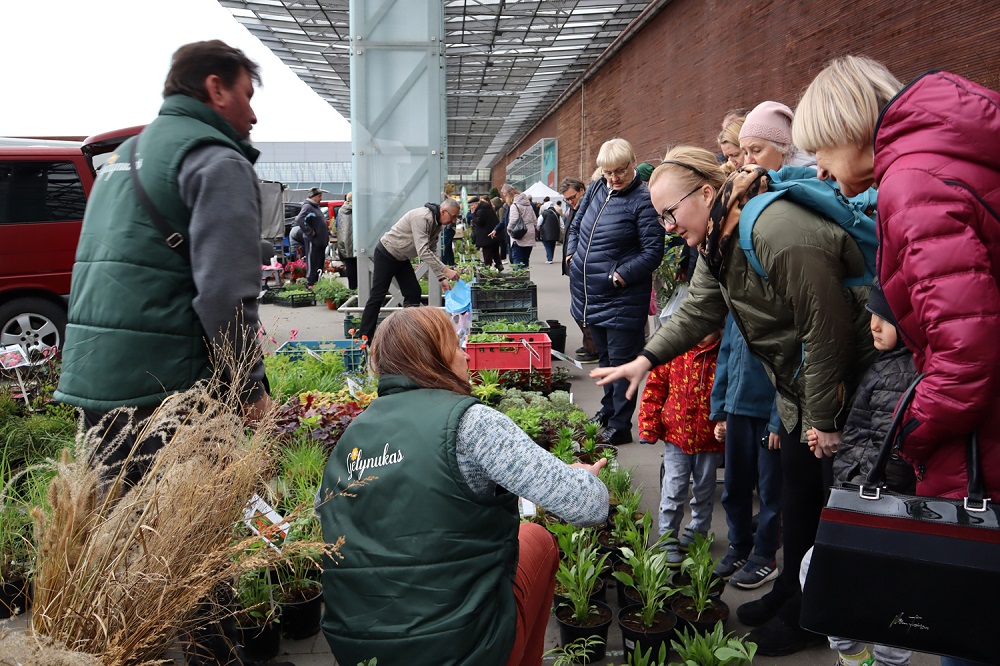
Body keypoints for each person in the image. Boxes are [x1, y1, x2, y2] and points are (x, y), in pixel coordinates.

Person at [592, 145, 874, 656]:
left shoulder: (774, 231)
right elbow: (698, 309)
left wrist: (826, 419)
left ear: (705, 192)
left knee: (832, 508)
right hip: (797, 385)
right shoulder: (718, 242)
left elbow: (827, 327)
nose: (668, 227)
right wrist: (645, 359)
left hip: (839, 389)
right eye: (660, 218)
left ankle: (818, 615)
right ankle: (792, 593)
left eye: (670, 213)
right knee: (798, 498)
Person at [52, 39, 281, 666]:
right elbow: (227, 297)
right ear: (214, 88)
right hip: (168, 390)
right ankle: (215, 657)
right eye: (247, 95)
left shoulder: (125, 157)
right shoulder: (214, 161)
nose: (253, 115)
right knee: (197, 533)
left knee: (125, 538)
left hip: (98, 382)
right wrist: (248, 390)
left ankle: (130, 649)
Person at [793, 59, 1000, 666]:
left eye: (821, 152)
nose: (823, 172)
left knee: (968, 625)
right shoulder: (952, 156)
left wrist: (912, 432)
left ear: (850, 127)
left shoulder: (913, 183)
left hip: (982, 442)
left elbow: (967, 352)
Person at [318, 307, 609, 666]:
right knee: (538, 539)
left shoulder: (352, 436)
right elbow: (589, 506)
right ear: (434, 358)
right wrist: (582, 477)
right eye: (455, 346)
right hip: (462, 648)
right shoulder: (471, 423)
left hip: (358, 648)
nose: (466, 353)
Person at [800, 280, 916, 666]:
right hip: (865, 500)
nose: (874, 325)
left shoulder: (902, 373)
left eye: (886, 318)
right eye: (872, 314)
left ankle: (858, 655)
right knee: (882, 590)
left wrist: (854, 491)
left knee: (823, 571)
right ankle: (861, 655)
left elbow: (887, 451)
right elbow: (869, 436)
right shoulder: (886, 365)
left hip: (877, 506)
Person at [565, 138, 665, 445]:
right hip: (591, 293)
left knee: (621, 363)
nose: (614, 177)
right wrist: (571, 254)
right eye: (608, 171)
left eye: (620, 170)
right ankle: (608, 411)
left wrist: (620, 275)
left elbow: (653, 252)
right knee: (606, 359)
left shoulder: (644, 200)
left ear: (633, 162)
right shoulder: (597, 188)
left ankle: (620, 425)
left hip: (621, 297)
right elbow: (577, 224)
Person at [638, 329, 724, 565]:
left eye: (707, 328)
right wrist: (648, 426)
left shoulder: (723, 354)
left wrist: (725, 422)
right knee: (674, 488)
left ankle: (698, 530)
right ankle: (667, 535)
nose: (700, 332)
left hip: (710, 439)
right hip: (677, 436)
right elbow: (654, 389)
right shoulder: (673, 352)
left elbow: (730, 392)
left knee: (704, 490)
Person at [709, 313, 783, 590]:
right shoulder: (735, 309)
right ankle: (739, 546)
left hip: (768, 417)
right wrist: (720, 409)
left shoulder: (781, 305)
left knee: (770, 492)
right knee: (734, 487)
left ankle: (765, 556)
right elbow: (725, 356)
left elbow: (791, 367)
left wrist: (778, 419)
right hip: (736, 411)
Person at [357, 198, 461, 343]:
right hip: (386, 253)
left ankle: (408, 334)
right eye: (453, 216)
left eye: (456, 217)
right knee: (377, 296)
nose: (454, 220)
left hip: (401, 258)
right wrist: (446, 270)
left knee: (413, 293)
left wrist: (441, 277)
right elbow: (422, 250)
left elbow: (431, 249)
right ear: (443, 211)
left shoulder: (437, 224)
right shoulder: (422, 218)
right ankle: (363, 338)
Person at [559, 177, 599, 364]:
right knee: (579, 309)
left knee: (583, 310)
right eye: (567, 199)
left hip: (584, 267)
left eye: (573, 197)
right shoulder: (575, 209)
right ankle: (590, 344)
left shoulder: (589, 207)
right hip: (575, 266)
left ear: (582, 190)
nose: (570, 201)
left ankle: (594, 347)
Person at [739, 101, 813, 170]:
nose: (748, 161)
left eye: (757, 150)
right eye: (745, 153)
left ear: (783, 145)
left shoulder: (810, 177)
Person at [296, 186, 328, 286]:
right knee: (313, 263)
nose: (321, 198)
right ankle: (310, 283)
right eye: (319, 196)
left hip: (320, 242)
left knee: (319, 264)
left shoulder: (315, 207)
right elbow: (300, 219)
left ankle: (317, 283)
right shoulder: (308, 206)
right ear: (313, 197)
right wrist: (309, 231)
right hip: (313, 241)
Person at [502, 183, 536, 267]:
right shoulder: (528, 205)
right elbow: (535, 220)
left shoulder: (514, 205)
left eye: (505, 195)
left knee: (517, 261)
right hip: (530, 234)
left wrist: (509, 230)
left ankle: (519, 280)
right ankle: (525, 279)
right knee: (525, 261)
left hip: (518, 235)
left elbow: (513, 219)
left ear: (509, 194)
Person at [472, 195, 503, 271]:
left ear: (476, 203)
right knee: (495, 251)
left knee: (487, 253)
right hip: (493, 234)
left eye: (472, 205)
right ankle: (499, 265)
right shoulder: (487, 207)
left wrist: (473, 214)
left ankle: (488, 269)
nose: (471, 207)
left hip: (486, 236)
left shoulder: (481, 210)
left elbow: (479, 222)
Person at [335, 191, 357, 289]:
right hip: (356, 242)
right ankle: (360, 289)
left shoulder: (341, 210)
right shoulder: (356, 210)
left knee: (350, 265)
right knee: (359, 266)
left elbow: (337, 225)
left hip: (344, 241)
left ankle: (352, 289)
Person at [537, 198, 561, 263]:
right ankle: (550, 257)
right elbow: (561, 223)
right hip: (555, 232)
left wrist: (538, 229)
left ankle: (549, 258)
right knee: (552, 245)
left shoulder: (544, 213)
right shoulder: (556, 213)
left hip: (545, 232)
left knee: (547, 245)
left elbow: (539, 222)